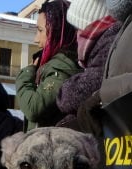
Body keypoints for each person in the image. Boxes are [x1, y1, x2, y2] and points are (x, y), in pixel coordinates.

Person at [54, 0, 119, 130]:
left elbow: (93, 82)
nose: (76, 36)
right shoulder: (105, 41)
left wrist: (65, 90)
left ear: (88, 26)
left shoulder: (109, 41)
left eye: (78, 29)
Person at [15, 0, 80, 130]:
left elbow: (33, 108)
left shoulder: (61, 66)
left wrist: (26, 75)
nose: (36, 39)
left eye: (40, 31)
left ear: (56, 31)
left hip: (51, 147)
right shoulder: (59, 63)